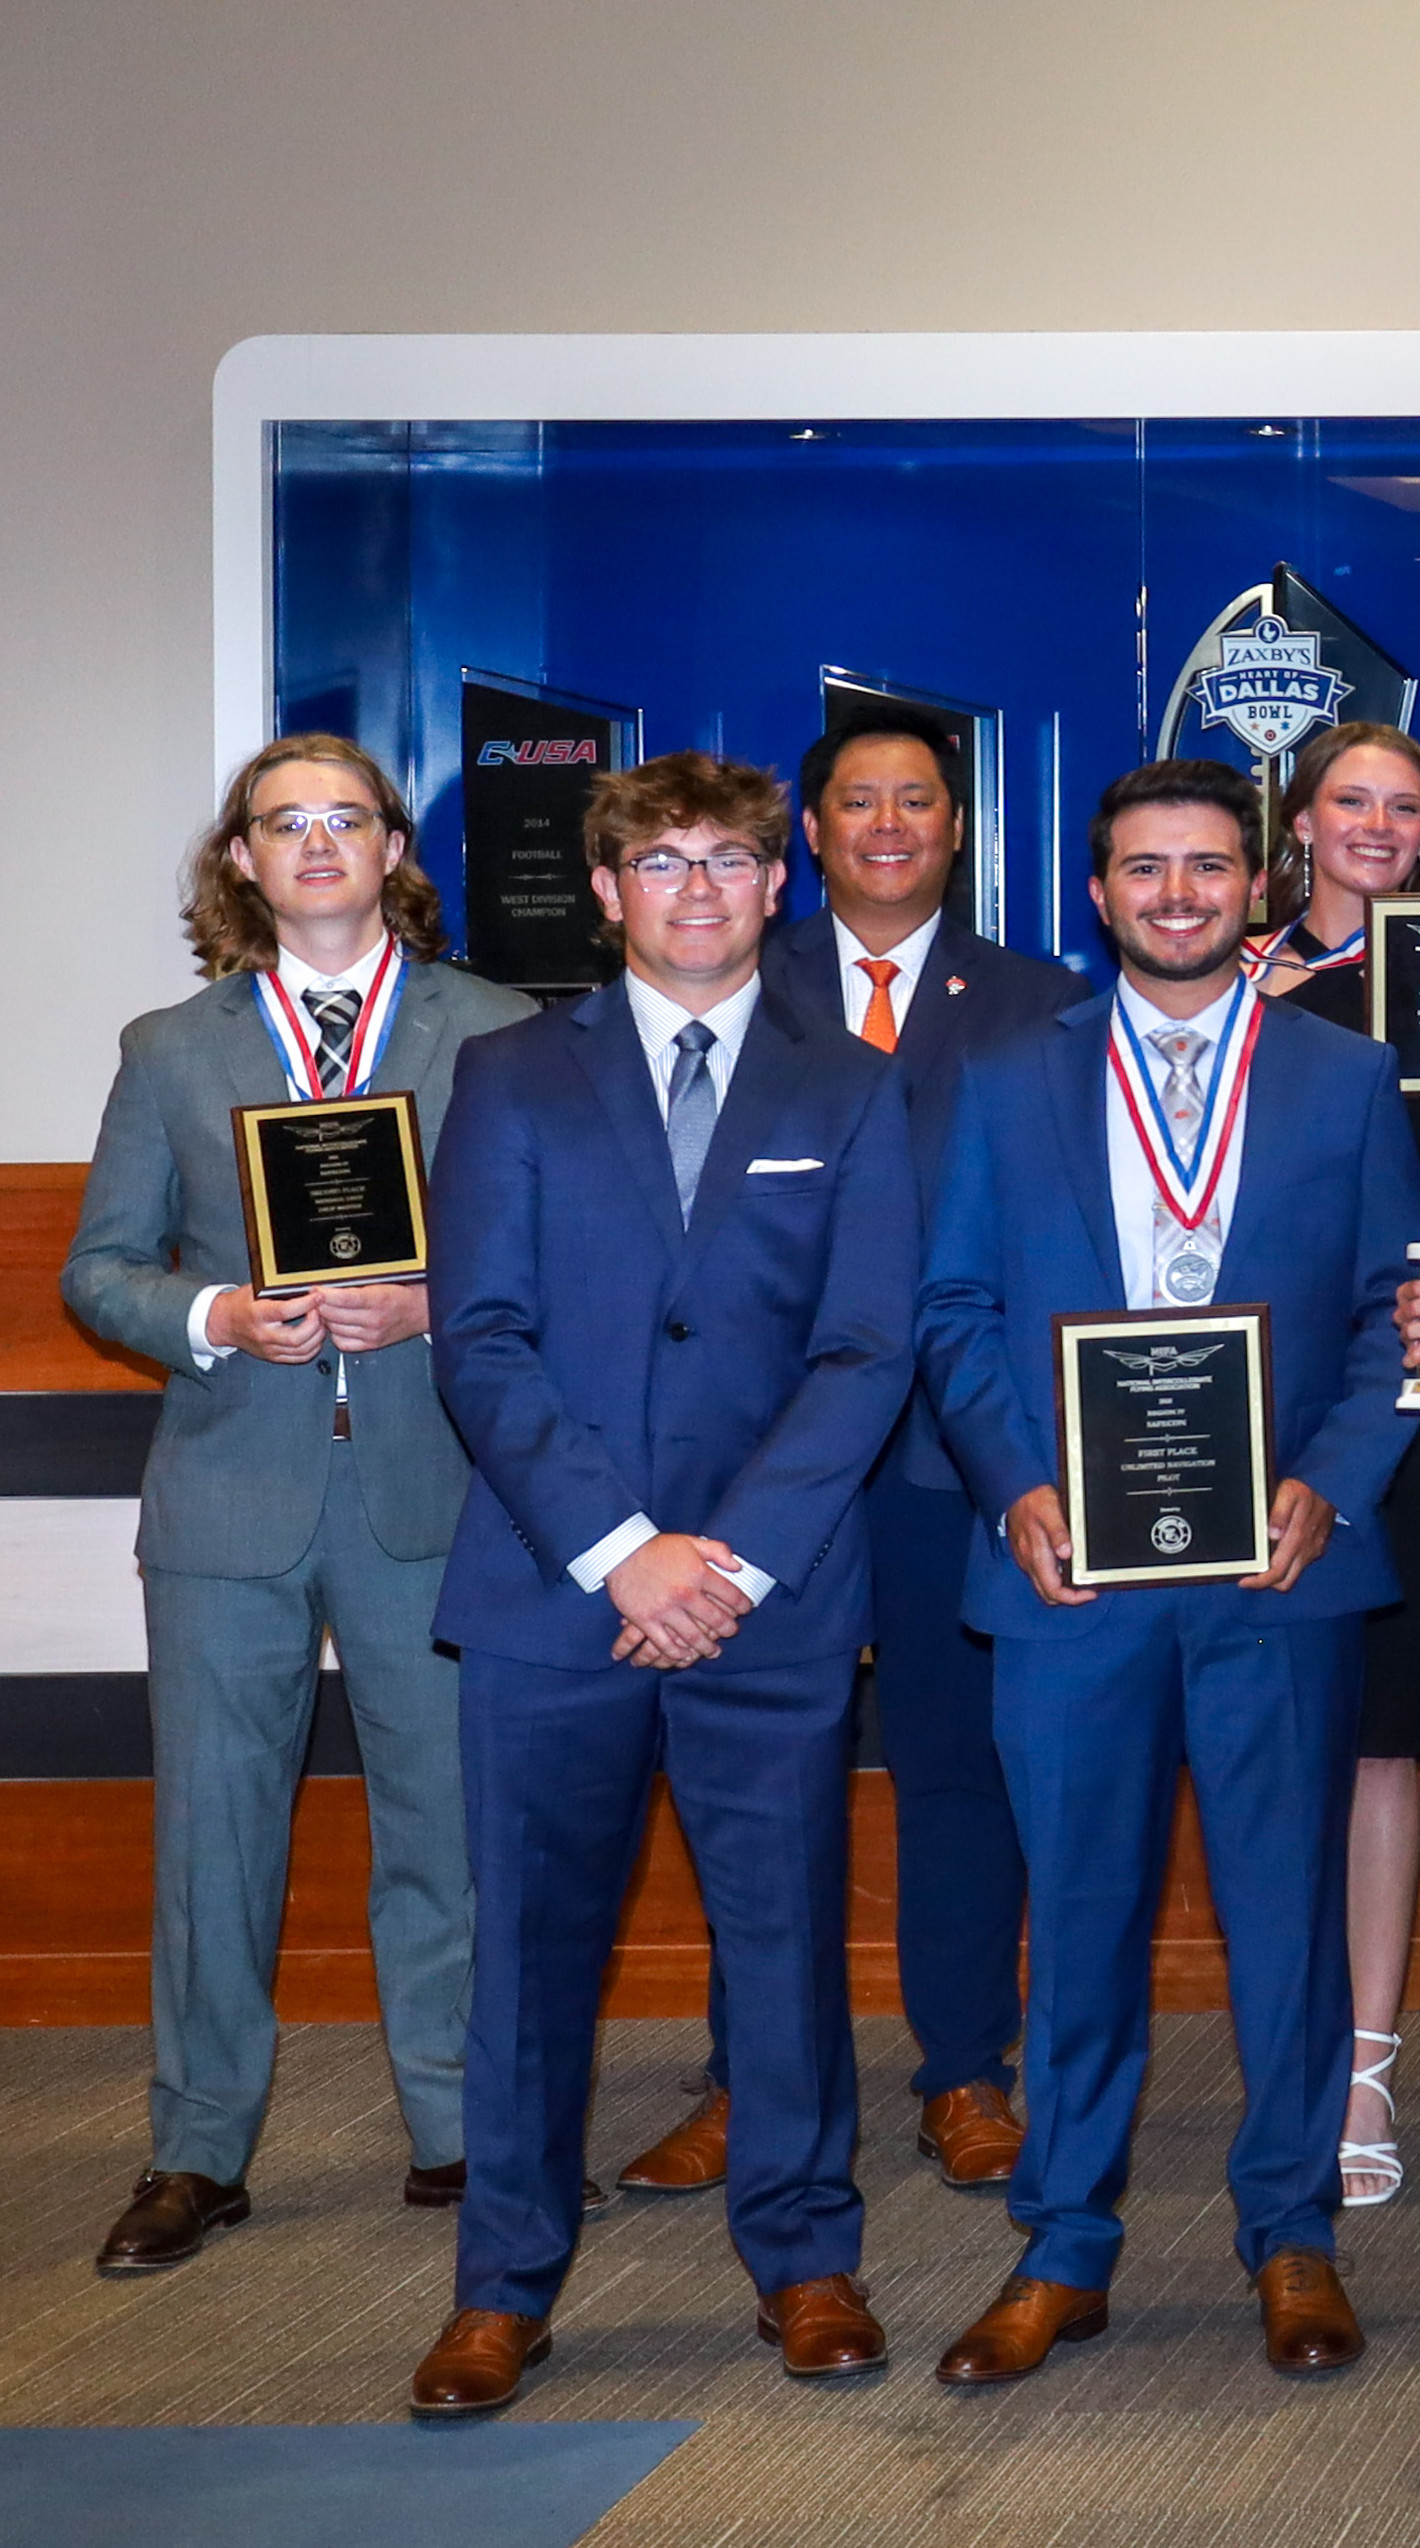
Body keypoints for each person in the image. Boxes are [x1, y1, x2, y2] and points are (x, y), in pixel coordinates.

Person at [402, 752, 919, 2415]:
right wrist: (628, 1551)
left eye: (728, 860)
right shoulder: (507, 1075)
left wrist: (731, 1558)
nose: (698, 888)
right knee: (530, 1958)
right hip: (555, 1594)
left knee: (785, 1947)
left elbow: (866, 1348)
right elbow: (480, 1340)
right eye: (664, 861)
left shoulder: (850, 1088)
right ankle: (502, 2286)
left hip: (772, 1601)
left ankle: (807, 2259)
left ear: (778, 885)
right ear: (608, 890)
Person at [908, 759, 1420, 2387]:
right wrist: (1014, 1486)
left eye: (1207, 866)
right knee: (1079, 1923)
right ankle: (1064, 2245)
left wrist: (1333, 1481)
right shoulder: (1007, 1076)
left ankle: (1292, 2234)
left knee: (1284, 1924)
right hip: (1071, 1575)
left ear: (1258, 885)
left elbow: (1392, 1314)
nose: (1179, 894)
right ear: (1099, 893)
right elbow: (953, 1311)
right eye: (1146, 868)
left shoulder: (1347, 1077)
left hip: (1275, 1572)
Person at [66, 737, 537, 2275]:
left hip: (434, 1490)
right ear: (243, 861)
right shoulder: (170, 1048)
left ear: (395, 847)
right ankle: (198, 2150)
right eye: (285, 823)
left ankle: (461, 2132)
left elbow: (557, 1252)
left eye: (347, 818)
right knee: (213, 1840)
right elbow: (101, 1269)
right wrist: (215, 1314)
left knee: (447, 1832)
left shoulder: (504, 1030)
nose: (318, 843)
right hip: (229, 1496)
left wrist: (434, 1305)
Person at [609, 708, 1081, 2207]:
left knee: (956, 1772)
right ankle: (751, 2080)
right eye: (856, 801)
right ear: (806, 836)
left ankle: (965, 2071)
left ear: (958, 827)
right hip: (765, 1467)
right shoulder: (731, 970)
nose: (887, 824)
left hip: (958, 1458)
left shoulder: (1042, 1002)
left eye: (916, 800)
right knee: (758, 1781)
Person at [1238, 717, 1420, 2211]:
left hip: (1405, 1389)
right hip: (1242, 1388)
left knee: (1382, 1731)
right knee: (1257, 1730)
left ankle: (1369, 2063)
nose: (1377, 826)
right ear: (1302, 824)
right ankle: (1284, 2052)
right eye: (1351, 801)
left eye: (1405, 805)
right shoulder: (1221, 975)